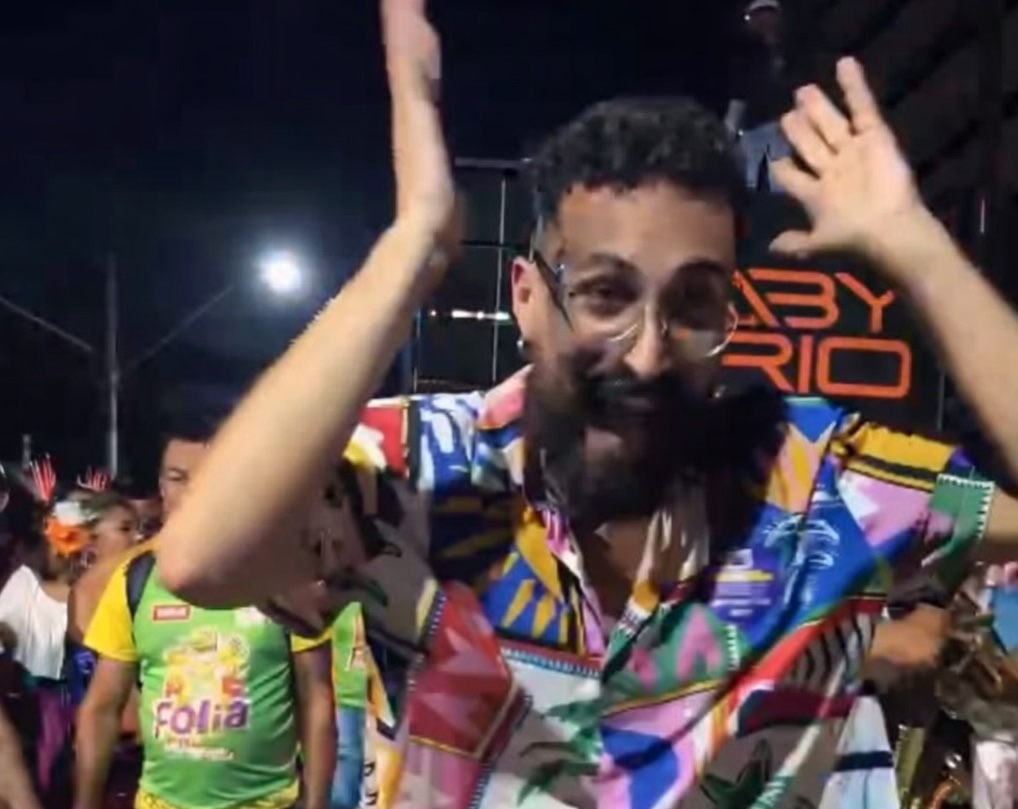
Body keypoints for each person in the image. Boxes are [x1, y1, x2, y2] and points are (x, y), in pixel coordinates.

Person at [156, 0, 1018, 806]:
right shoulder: (427, 467)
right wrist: (413, 243)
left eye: (693, 304)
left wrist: (918, 247)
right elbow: (200, 559)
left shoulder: (819, 482)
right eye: (605, 294)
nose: (647, 353)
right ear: (527, 297)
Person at [74, 410, 337, 809]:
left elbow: (317, 699)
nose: (192, 492)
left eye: (208, 477)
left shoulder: (284, 578)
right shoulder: (134, 580)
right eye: (177, 478)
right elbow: (102, 708)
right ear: (161, 486)